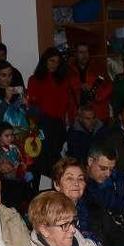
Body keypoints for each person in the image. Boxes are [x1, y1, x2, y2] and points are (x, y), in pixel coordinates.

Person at [27, 47, 72, 175]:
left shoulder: (62, 80)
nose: (54, 64)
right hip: (42, 123)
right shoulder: (34, 79)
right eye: (51, 61)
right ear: (45, 61)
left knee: (54, 158)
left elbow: (65, 103)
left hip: (58, 123)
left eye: (57, 62)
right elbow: (33, 104)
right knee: (43, 159)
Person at [70, 42, 112, 122]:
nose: (84, 55)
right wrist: (79, 87)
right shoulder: (69, 70)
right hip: (77, 115)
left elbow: (109, 87)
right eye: (81, 52)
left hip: (98, 114)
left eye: (86, 52)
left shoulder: (98, 68)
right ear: (76, 54)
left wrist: (96, 93)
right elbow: (67, 90)